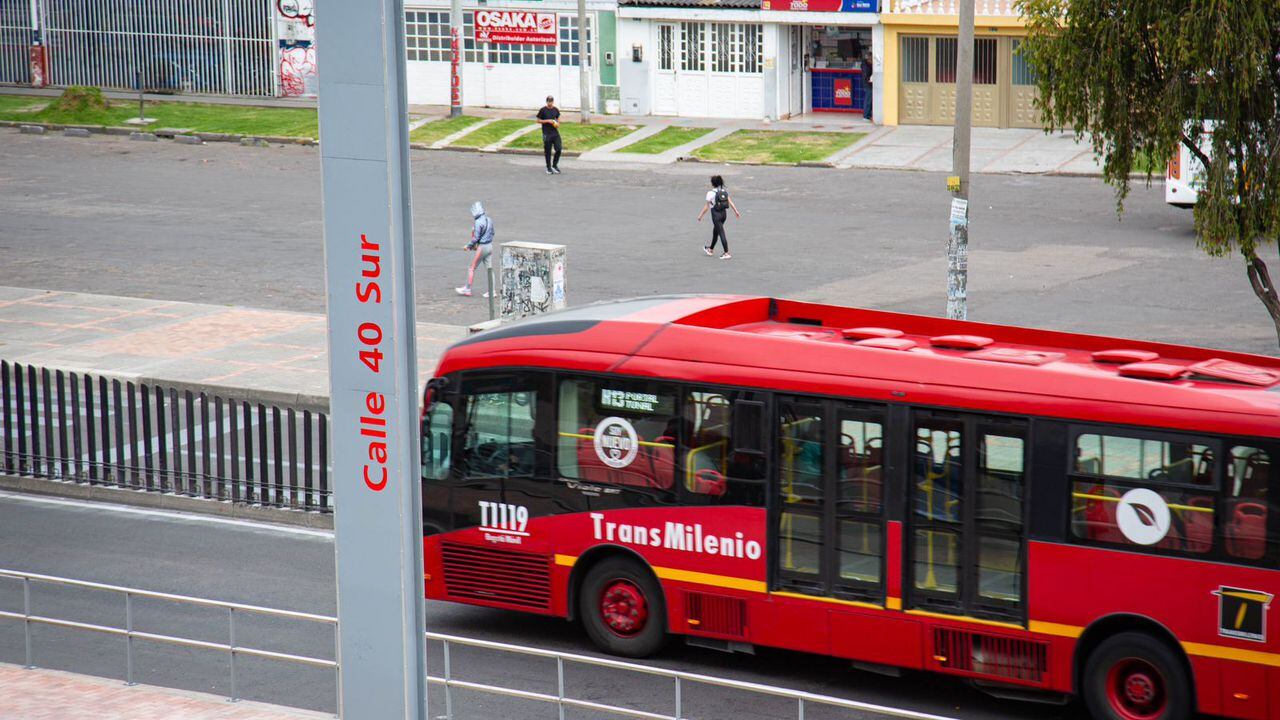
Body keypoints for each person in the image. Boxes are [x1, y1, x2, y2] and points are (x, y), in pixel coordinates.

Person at [455, 201, 494, 297]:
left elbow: (476, 238)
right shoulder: (489, 219)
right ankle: (492, 291)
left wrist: (468, 246)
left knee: (471, 268)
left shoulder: (478, 222)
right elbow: (492, 233)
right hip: (490, 246)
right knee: (489, 269)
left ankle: (467, 289)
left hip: (482, 248)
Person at [696, 175, 740, 260]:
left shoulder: (710, 193)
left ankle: (726, 253)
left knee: (721, 233)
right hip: (724, 214)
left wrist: (700, 216)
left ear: (713, 184)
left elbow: (706, 207)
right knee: (715, 232)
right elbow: (730, 202)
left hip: (716, 216)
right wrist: (736, 211)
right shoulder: (723, 191)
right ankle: (710, 249)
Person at [536, 96, 562, 175]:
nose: (550, 103)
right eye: (548, 101)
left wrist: (557, 124)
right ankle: (548, 167)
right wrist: (547, 121)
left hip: (555, 133)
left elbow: (558, 119)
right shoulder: (543, 110)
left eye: (551, 101)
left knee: (559, 149)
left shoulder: (555, 110)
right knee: (548, 151)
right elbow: (538, 120)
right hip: (546, 133)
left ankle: (554, 165)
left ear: (553, 102)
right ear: (546, 102)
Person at [860, 51, 874, 123]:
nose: (872, 61)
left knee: (869, 99)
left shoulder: (867, 64)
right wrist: (869, 80)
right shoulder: (866, 66)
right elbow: (866, 76)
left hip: (868, 83)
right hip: (867, 84)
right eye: (871, 60)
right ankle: (866, 116)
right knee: (868, 100)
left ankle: (868, 115)